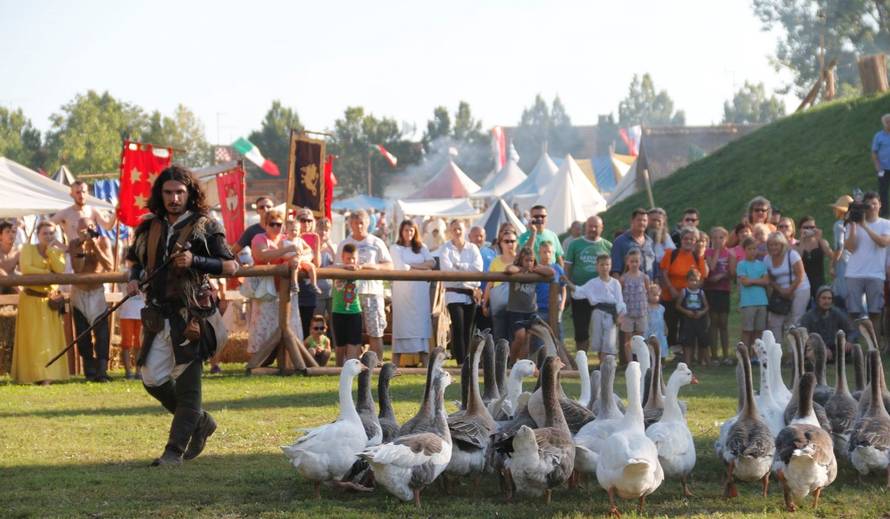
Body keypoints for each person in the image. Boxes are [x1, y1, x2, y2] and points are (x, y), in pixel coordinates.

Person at [125, 165, 237, 466]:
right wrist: (133, 278)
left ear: (190, 194)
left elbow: (231, 266)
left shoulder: (205, 226)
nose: (174, 198)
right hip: (157, 314)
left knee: (188, 389)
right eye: (168, 192)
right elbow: (135, 261)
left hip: (191, 318)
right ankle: (199, 421)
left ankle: (173, 452)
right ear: (160, 194)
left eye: (180, 192)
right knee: (151, 378)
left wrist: (195, 260)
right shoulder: (149, 226)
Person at [11, 221, 68, 385]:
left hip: (49, 301)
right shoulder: (28, 248)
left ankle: (48, 376)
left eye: (51, 233)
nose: (48, 236)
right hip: (30, 300)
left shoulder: (56, 251)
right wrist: (46, 272)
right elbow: (26, 268)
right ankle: (31, 375)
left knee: (49, 339)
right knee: (33, 339)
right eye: (45, 233)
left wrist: (51, 251)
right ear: (38, 235)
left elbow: (60, 269)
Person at [248, 209, 304, 362]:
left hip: (286, 292)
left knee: (289, 324)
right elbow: (261, 255)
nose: (275, 227)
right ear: (266, 225)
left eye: (279, 224)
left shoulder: (289, 238)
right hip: (265, 292)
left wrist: (299, 258)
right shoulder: (259, 238)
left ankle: (289, 361)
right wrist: (288, 250)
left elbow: (305, 251)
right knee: (262, 326)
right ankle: (258, 361)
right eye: (272, 224)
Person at [337, 210, 393, 359]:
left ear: (368, 223)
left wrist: (370, 267)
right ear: (350, 224)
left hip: (372, 292)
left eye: (361, 223)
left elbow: (389, 265)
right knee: (352, 334)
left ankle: (377, 365)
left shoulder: (376, 242)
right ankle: (351, 365)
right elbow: (337, 266)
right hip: (349, 295)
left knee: (375, 331)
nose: (359, 226)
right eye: (355, 223)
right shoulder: (344, 244)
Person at [69, 217, 114, 381]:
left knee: (102, 334)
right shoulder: (74, 244)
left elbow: (109, 266)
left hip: (97, 292)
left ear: (94, 227)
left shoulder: (103, 241)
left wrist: (95, 247)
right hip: (79, 293)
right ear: (77, 230)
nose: (87, 231)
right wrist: (82, 247)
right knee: (82, 335)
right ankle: (90, 371)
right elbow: (78, 269)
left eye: (90, 227)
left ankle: (102, 371)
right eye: (83, 229)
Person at [389, 219, 435, 368]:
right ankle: (394, 367)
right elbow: (402, 267)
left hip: (420, 295)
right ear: (401, 232)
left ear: (415, 232)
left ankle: (427, 367)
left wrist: (413, 266)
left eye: (411, 230)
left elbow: (431, 263)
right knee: (401, 328)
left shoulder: (422, 247)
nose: (408, 233)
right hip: (403, 294)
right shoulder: (395, 248)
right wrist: (423, 269)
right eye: (406, 230)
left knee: (421, 328)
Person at [844, 191, 890, 331]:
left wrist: (864, 226)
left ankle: (874, 343)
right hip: (854, 274)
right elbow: (850, 248)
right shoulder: (853, 224)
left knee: (875, 313)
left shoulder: (886, 224)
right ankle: (853, 341)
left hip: (875, 274)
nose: (872, 207)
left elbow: (883, 242)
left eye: (874, 204)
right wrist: (854, 225)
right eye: (868, 205)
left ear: (880, 205)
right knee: (853, 312)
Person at [565, 215, 612, 352]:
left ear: (602, 228)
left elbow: (612, 271)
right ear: (585, 227)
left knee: (602, 329)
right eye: (590, 226)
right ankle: (582, 358)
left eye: (596, 226)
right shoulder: (575, 244)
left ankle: (603, 360)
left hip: (601, 294)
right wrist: (567, 291)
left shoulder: (608, 246)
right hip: (580, 293)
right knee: (581, 330)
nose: (593, 229)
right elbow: (567, 268)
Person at [568, 254, 626, 363]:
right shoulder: (593, 283)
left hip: (611, 314)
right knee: (598, 340)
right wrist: (567, 282)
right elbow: (580, 291)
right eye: (602, 265)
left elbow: (620, 301)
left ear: (611, 266)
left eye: (607, 265)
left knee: (609, 341)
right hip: (598, 312)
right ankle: (602, 363)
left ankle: (606, 364)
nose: (604, 267)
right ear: (597, 267)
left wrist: (619, 315)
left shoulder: (615, 283)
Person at [439, 219, 482, 365]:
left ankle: (468, 361)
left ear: (465, 230)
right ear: (450, 231)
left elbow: (478, 268)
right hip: (453, 293)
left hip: (470, 293)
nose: (457, 232)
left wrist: (458, 266)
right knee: (458, 326)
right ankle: (461, 362)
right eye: (454, 229)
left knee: (468, 329)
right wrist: (466, 269)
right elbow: (447, 269)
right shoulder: (445, 248)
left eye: (459, 229)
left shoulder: (472, 248)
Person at [659, 227, 708, 349]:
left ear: (695, 241)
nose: (688, 241)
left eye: (692, 239)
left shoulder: (697, 258)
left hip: (688, 299)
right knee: (670, 325)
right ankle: (670, 350)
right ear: (681, 240)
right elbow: (664, 273)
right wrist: (671, 289)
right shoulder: (671, 254)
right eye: (686, 238)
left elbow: (702, 277)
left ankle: (684, 352)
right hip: (670, 296)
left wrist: (691, 292)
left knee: (686, 328)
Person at [504, 246, 553, 360]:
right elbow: (509, 269)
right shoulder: (516, 270)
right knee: (520, 336)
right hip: (516, 310)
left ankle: (522, 363)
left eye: (531, 260)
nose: (529, 263)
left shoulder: (535, 270)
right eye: (526, 260)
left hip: (531, 310)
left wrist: (534, 269)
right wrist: (522, 269)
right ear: (521, 260)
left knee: (527, 339)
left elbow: (551, 272)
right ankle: (512, 361)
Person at [764, 231, 810, 340]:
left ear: (782, 245)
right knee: (775, 321)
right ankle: (776, 347)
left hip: (800, 288)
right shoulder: (767, 259)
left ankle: (795, 348)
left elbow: (800, 275)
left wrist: (790, 290)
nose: (773, 247)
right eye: (770, 245)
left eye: (776, 244)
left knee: (796, 318)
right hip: (780, 291)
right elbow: (769, 278)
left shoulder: (792, 255)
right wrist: (780, 290)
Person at [482, 225, 519, 341]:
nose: (510, 244)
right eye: (506, 241)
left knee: (515, 336)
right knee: (499, 336)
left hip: (517, 304)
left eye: (512, 241)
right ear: (501, 243)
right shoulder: (495, 261)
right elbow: (490, 284)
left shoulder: (520, 260)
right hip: (498, 303)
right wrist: (485, 303)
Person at [800, 286, 855, 360]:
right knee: (811, 354)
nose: (827, 301)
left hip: (834, 347)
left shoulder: (836, 313)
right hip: (816, 347)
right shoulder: (808, 317)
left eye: (829, 298)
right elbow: (805, 338)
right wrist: (822, 347)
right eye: (824, 298)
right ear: (817, 299)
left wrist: (848, 342)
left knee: (854, 349)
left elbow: (851, 330)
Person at [50, 180, 115, 242]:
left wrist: (116, 213)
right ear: (72, 194)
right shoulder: (65, 213)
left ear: (87, 193)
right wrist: (61, 245)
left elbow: (108, 226)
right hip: (74, 249)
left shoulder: (93, 211)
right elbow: (47, 227)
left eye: (83, 192)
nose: (81, 195)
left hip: (92, 249)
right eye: (78, 192)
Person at [736, 237, 769, 353]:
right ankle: (744, 354)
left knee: (759, 330)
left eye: (754, 249)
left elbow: (766, 281)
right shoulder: (741, 264)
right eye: (749, 249)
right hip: (748, 302)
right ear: (744, 250)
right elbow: (744, 282)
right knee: (747, 330)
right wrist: (759, 280)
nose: (752, 251)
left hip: (762, 301)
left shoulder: (762, 264)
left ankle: (755, 354)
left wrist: (752, 281)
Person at [705, 226, 732, 365]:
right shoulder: (708, 252)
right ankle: (714, 355)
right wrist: (716, 251)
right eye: (714, 238)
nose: (718, 240)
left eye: (721, 237)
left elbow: (732, 272)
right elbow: (711, 267)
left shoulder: (729, 253)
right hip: (711, 290)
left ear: (726, 239)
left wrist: (722, 275)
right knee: (713, 322)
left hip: (724, 291)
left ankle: (726, 355)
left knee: (724, 323)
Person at [332, 243, 363, 363]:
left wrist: (361, 266)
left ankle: (351, 368)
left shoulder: (359, 269)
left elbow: (374, 267)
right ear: (342, 257)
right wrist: (344, 268)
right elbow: (328, 267)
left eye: (353, 258)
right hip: (338, 311)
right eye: (348, 258)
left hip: (354, 311)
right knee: (340, 345)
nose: (351, 261)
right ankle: (339, 368)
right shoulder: (337, 268)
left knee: (353, 343)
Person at [620, 248, 650, 363]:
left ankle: (640, 361)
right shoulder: (623, 278)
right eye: (632, 261)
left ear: (640, 262)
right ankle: (630, 362)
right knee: (628, 338)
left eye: (636, 261)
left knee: (640, 339)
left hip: (641, 313)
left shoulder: (644, 277)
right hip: (628, 313)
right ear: (627, 262)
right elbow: (620, 295)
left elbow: (647, 292)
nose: (634, 264)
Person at [676, 269, 710, 367]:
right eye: (691, 280)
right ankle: (688, 361)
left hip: (700, 319)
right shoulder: (684, 292)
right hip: (688, 320)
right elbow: (678, 305)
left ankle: (705, 361)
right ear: (687, 281)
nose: (694, 282)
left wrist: (701, 312)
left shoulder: (701, 292)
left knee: (703, 340)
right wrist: (686, 312)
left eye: (696, 280)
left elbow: (707, 306)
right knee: (688, 342)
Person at [795, 216, 832, 302]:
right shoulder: (796, 245)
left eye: (812, 227)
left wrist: (819, 238)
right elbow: (797, 260)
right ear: (800, 229)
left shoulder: (821, 242)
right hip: (803, 282)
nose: (809, 230)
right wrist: (802, 240)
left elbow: (831, 256)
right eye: (806, 227)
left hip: (819, 280)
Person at [611, 208, 656, 279]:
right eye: (639, 220)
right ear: (632, 221)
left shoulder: (650, 242)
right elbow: (615, 271)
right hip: (628, 285)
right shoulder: (620, 242)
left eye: (644, 220)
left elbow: (655, 268)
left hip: (649, 284)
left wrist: (656, 282)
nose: (642, 223)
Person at [119, 257, 144, 380]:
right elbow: (123, 277)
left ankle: (138, 371)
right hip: (127, 313)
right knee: (126, 344)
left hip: (141, 312)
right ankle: (128, 371)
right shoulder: (123, 271)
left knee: (139, 343)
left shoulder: (144, 271)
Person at [534, 241, 566, 339]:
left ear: (553, 253)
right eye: (544, 252)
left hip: (555, 307)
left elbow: (563, 288)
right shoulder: (536, 269)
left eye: (549, 252)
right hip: (539, 308)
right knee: (540, 337)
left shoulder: (558, 268)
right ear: (539, 253)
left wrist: (562, 304)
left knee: (557, 335)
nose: (547, 255)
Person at [313, 217, 336, 342]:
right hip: (317, 291)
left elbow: (337, 262)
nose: (323, 232)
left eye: (326, 230)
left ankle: (334, 345)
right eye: (321, 229)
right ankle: (317, 344)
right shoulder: (311, 247)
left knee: (334, 320)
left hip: (331, 291)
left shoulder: (332, 247)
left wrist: (330, 246)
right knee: (318, 320)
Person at [829, 195, 854, 308]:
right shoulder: (856, 225)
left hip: (843, 262)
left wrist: (832, 265)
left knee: (843, 296)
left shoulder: (839, 225)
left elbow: (839, 246)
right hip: (856, 262)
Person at [470, 225, 496, 332]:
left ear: (485, 237)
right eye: (475, 236)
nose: (479, 238)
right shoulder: (465, 252)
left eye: (481, 236)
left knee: (486, 331)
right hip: (469, 298)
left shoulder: (491, 253)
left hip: (487, 299)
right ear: (469, 237)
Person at [871, 113, 890, 216]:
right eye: (887, 122)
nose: (889, 123)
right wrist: (878, 167)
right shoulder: (878, 136)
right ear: (884, 124)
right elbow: (874, 153)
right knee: (883, 192)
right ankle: (884, 212)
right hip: (883, 168)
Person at [646, 283, 669, 359]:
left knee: (661, 343)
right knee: (650, 344)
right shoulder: (646, 307)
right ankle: (650, 359)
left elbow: (662, 319)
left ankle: (661, 359)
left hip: (659, 331)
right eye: (653, 295)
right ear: (647, 294)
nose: (656, 297)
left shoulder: (661, 308)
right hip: (649, 329)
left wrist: (665, 327)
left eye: (657, 295)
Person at [0, 220, 21, 294]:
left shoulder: (18, 252)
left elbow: (24, 270)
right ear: (0, 235)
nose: (11, 234)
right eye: (7, 232)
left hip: (11, 284)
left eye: (13, 232)